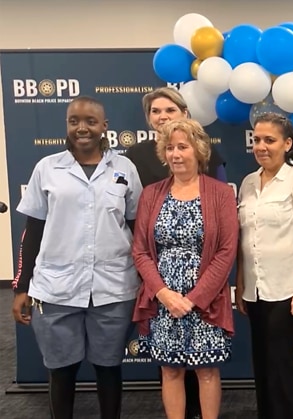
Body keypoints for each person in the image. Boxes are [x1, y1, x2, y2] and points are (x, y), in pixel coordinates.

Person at [11, 96, 143, 419]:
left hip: (112, 288)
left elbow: (136, 227)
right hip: (56, 289)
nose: (82, 128)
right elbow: (33, 233)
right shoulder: (47, 168)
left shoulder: (124, 169)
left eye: (90, 121)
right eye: (74, 121)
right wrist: (21, 287)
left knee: (108, 368)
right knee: (61, 370)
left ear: (104, 127)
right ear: (67, 124)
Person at [124, 86, 227, 419]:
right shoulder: (152, 194)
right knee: (170, 370)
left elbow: (225, 251)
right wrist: (165, 294)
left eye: (182, 147)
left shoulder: (220, 193)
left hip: (206, 300)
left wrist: (195, 298)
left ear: (197, 149)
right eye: (170, 148)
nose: (176, 154)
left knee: (207, 370)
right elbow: (140, 250)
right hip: (163, 299)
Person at [235, 112, 293, 419]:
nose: (261, 146)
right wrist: (241, 284)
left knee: (281, 358)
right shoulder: (248, 183)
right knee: (262, 359)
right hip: (257, 288)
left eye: (269, 140)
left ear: (287, 144)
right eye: (257, 140)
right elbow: (246, 239)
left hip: (290, 286)